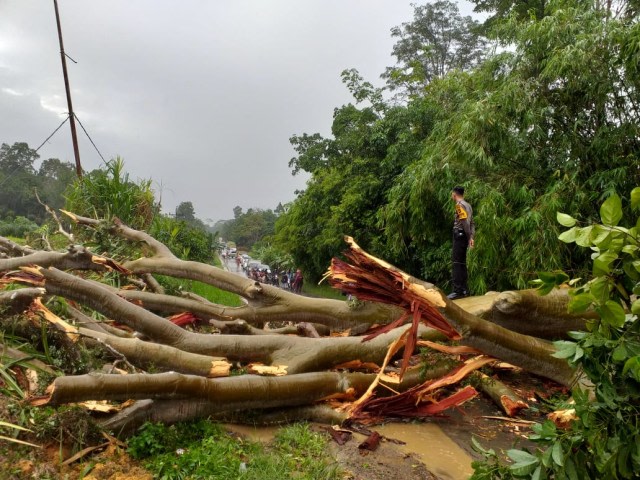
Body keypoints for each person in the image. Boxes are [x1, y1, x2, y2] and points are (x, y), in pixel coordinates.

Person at [448, 186, 475, 300]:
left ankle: (458, 290)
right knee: (462, 262)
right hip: (465, 235)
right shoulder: (468, 205)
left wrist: (469, 238)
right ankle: (464, 289)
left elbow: (464, 222)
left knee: (457, 262)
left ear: (454, 194)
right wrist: (472, 236)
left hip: (459, 235)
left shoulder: (459, 205)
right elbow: (472, 223)